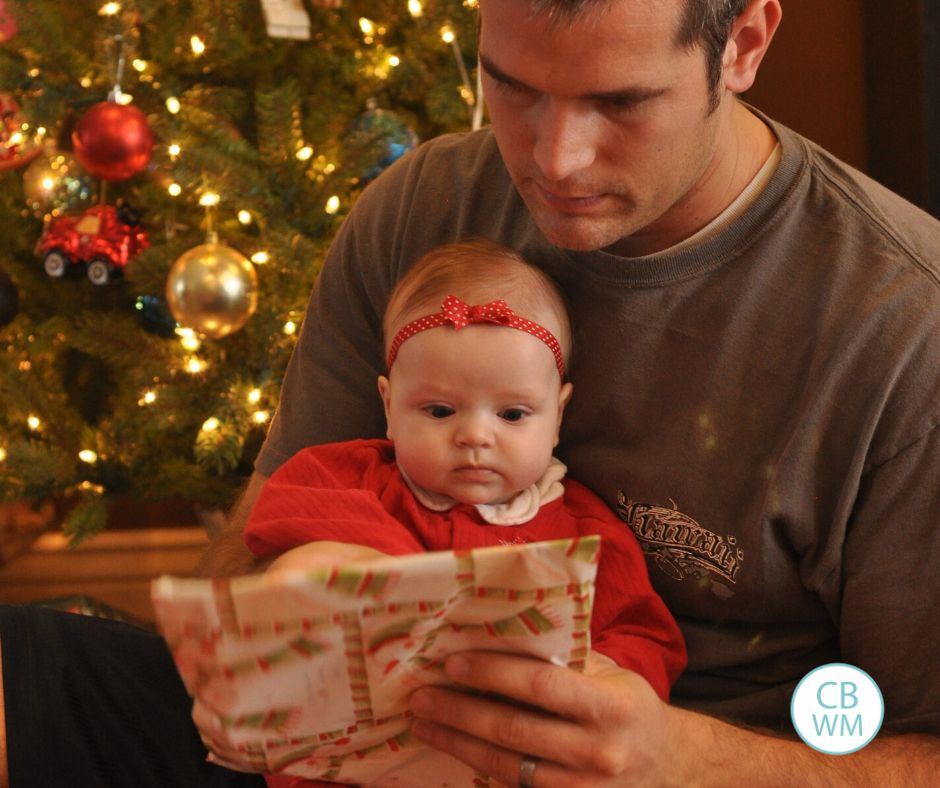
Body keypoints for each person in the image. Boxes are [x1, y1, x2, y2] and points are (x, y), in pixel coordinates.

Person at [3, 0, 940, 785]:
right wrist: (245, 655)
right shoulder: (421, 207)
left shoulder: (901, 323)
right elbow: (268, 528)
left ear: (743, 43)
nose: (556, 159)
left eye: (621, 101)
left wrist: (680, 758)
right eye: (515, 88)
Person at [240, 240, 685, 786]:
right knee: (309, 568)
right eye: (440, 410)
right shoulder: (352, 479)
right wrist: (402, 582)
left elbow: (642, 635)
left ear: (559, 415)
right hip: (354, 753)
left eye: (513, 413)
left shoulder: (581, 533)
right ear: (388, 406)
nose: (475, 435)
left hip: (499, 752)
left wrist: (601, 678)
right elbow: (283, 520)